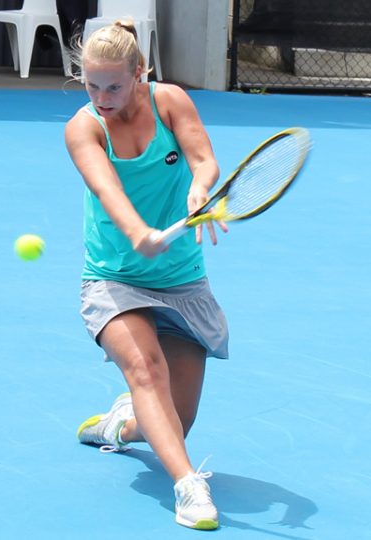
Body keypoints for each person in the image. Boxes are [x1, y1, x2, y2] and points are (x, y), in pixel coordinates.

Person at [64, 19, 230, 531]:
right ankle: (188, 486)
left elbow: (205, 160)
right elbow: (107, 190)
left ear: (142, 73)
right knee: (146, 372)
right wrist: (138, 232)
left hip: (182, 279)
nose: (102, 97)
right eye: (92, 85)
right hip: (114, 279)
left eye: (113, 85)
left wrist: (200, 189)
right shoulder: (83, 127)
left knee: (178, 420)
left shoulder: (171, 102)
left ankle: (122, 423)